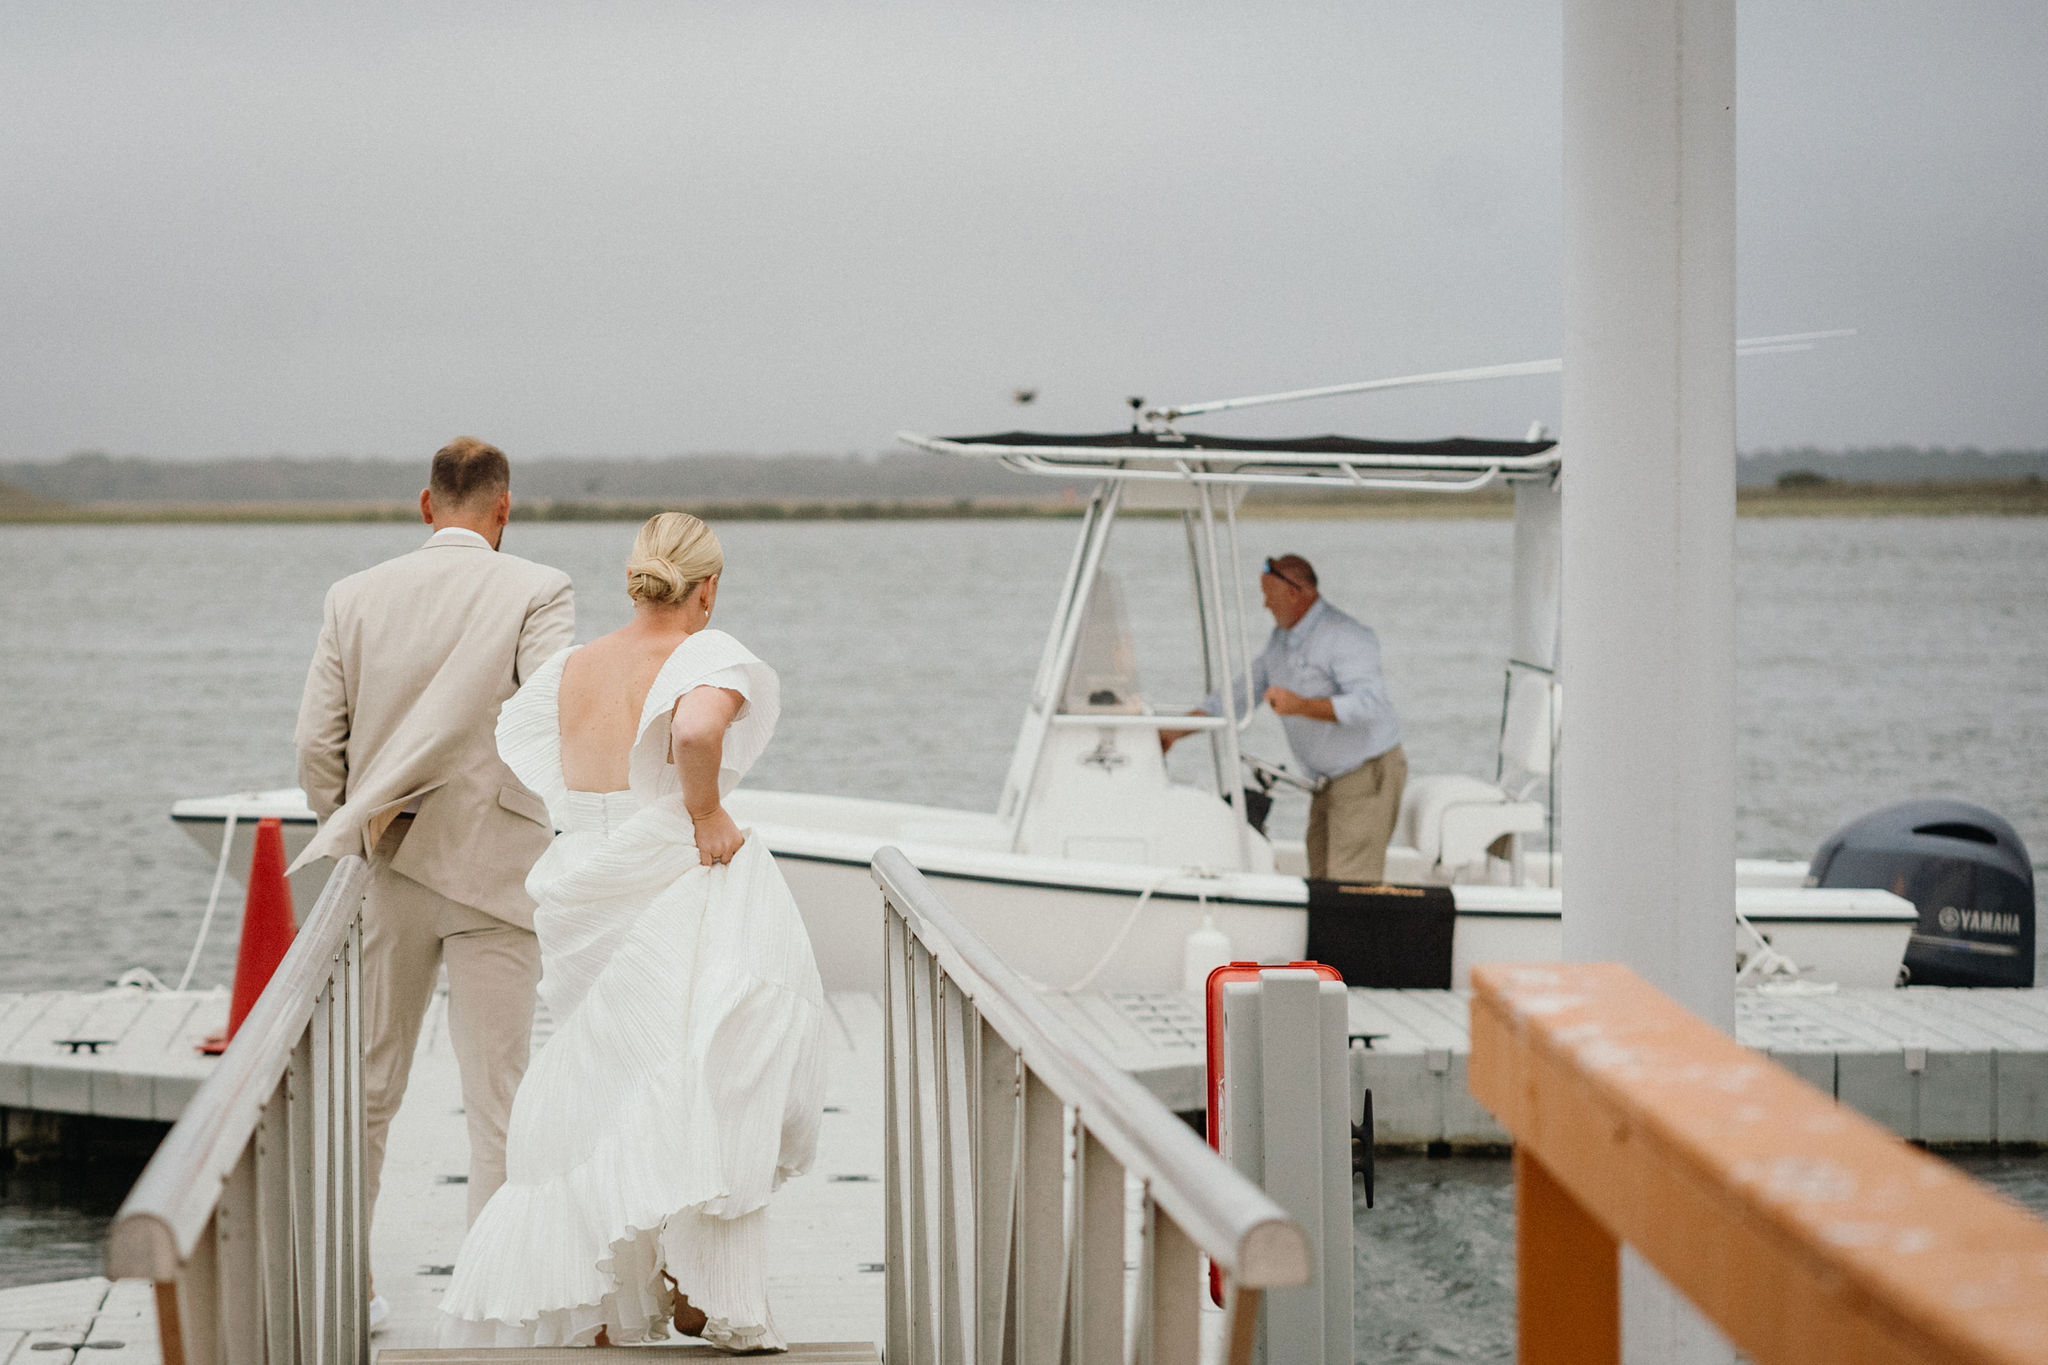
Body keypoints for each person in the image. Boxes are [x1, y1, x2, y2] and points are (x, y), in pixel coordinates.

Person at [439, 511, 825, 1350]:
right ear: (709, 587)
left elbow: (543, 758)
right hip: (661, 865)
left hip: (583, 874)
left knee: (603, 1087)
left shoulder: (573, 666)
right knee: (704, 1064)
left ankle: (617, 1294)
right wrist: (708, 811)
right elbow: (692, 729)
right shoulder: (704, 656)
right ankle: (710, 1287)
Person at [292, 436, 575, 1329]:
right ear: (504, 507)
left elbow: (314, 744)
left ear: (425, 505)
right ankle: (487, 1286)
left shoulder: (353, 597)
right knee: (498, 1092)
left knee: (373, 1087)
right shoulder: (539, 588)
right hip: (497, 867)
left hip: (391, 864)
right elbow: (548, 716)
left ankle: (354, 1284)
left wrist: (356, 821)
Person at [1162, 553, 1406, 882]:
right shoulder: (1281, 640)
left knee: (1349, 887)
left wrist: (1301, 705)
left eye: (1269, 595)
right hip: (1327, 782)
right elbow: (1238, 695)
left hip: (1364, 775)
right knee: (1321, 881)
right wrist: (1176, 732)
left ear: (1293, 592)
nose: (1264, 605)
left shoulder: (1345, 635)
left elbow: (1369, 705)